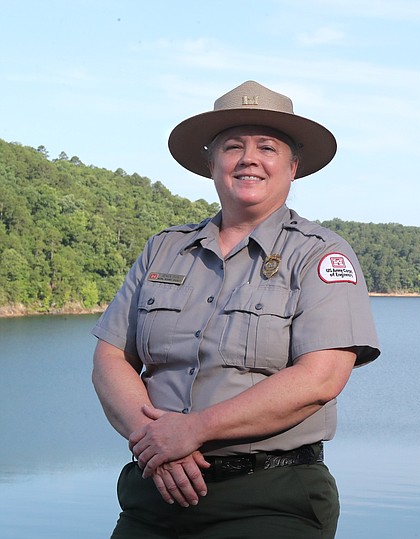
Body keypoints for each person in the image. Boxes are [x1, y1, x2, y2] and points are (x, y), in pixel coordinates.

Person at [91, 80, 380, 539]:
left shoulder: (320, 254)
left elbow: (321, 378)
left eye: (267, 147)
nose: (249, 158)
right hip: (154, 492)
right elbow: (111, 358)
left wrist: (193, 431)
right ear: (212, 164)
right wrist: (155, 441)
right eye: (232, 147)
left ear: (293, 167)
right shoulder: (164, 249)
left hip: (269, 498)